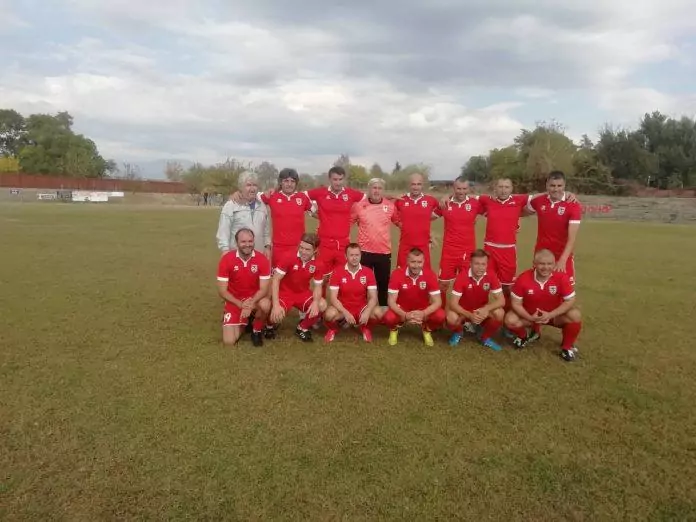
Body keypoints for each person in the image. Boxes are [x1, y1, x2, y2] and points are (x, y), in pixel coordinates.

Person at [504, 249, 582, 362]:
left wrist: (550, 315)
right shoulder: (523, 278)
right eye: (542, 264)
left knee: (575, 315)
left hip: (553, 317)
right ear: (534, 264)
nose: (546, 267)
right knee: (510, 319)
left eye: (549, 264)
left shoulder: (561, 277)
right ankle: (523, 336)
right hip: (530, 316)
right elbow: (516, 304)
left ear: (554, 264)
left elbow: (570, 300)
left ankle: (567, 347)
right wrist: (530, 318)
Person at [216, 228, 272, 347]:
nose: (247, 244)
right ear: (236, 242)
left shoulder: (262, 259)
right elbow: (222, 291)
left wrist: (250, 303)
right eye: (243, 241)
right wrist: (241, 305)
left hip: (255, 300)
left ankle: (256, 330)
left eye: (250, 241)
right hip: (235, 301)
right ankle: (245, 322)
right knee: (229, 341)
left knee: (266, 304)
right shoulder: (226, 259)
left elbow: (264, 289)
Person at [269, 233, 329, 342]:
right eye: (301, 247)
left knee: (322, 305)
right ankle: (269, 326)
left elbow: (318, 286)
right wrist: (276, 305)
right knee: (276, 315)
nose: (303, 252)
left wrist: (316, 302)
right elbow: (275, 279)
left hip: (302, 294)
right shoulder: (288, 256)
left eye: (307, 249)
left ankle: (302, 328)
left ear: (315, 250)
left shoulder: (319, 263)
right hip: (284, 293)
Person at [350, 177, 400, 307]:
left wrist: (421, 231)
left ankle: (383, 310)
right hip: (364, 252)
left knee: (383, 284)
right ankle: (361, 309)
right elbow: (347, 223)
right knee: (362, 284)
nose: (376, 191)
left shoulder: (390, 206)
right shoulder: (359, 206)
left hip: (383, 252)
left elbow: (399, 223)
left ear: (383, 190)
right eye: (374, 188)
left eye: (379, 188)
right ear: (369, 189)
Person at [306, 166, 365, 275]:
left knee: (342, 276)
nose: (338, 182)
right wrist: (312, 210)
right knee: (321, 276)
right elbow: (302, 196)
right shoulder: (321, 192)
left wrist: (359, 215)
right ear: (330, 179)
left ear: (344, 179)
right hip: (324, 243)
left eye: (340, 179)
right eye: (335, 179)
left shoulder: (350, 193)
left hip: (343, 244)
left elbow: (369, 199)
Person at [432, 177, 484, 299]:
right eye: (458, 188)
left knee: (467, 284)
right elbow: (426, 217)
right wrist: (429, 233)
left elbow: (495, 211)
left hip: (467, 253)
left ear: (469, 189)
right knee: (443, 284)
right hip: (448, 252)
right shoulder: (445, 203)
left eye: (464, 188)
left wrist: (516, 224)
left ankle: (465, 309)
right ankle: (441, 309)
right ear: (453, 188)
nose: (461, 191)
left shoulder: (475, 203)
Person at [527, 171, 582, 284]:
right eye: (552, 185)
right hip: (541, 256)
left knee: (565, 291)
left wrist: (562, 260)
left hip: (561, 256)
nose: (556, 189)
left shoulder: (573, 205)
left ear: (564, 185)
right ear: (547, 185)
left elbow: (572, 239)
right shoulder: (538, 201)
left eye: (559, 186)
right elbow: (517, 211)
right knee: (539, 288)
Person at [382, 248, 445, 347]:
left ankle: (426, 330)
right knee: (389, 317)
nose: (416, 266)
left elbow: (438, 301)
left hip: (422, 309)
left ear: (423, 262)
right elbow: (391, 301)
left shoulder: (430, 275)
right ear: (407, 261)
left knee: (440, 315)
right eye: (413, 262)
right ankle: (394, 330)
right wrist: (405, 315)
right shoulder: (397, 274)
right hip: (402, 309)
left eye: (419, 262)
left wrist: (424, 313)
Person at [446, 249, 505, 351]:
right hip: (464, 312)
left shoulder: (491, 275)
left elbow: (501, 301)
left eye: (483, 264)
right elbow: (453, 304)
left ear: (487, 264)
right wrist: (469, 315)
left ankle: (484, 337)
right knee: (451, 317)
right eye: (476, 264)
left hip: (481, 311)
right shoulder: (462, 277)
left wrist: (486, 309)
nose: (480, 268)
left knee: (499, 313)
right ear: (470, 263)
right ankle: (458, 332)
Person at [324, 243, 383, 343]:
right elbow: (333, 298)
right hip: (343, 307)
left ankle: (365, 328)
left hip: (361, 307)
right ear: (345, 256)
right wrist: (345, 313)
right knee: (329, 314)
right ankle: (333, 329)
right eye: (351, 255)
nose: (354, 258)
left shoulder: (368, 272)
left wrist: (367, 311)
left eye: (357, 255)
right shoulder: (337, 272)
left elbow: (373, 297)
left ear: (360, 255)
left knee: (378, 313)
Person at [257, 168, 314, 267]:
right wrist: (236, 194)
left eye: (292, 181)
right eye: (286, 181)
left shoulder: (302, 197)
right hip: (279, 248)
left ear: (296, 183)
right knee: (278, 275)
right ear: (280, 182)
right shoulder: (272, 196)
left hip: (299, 247)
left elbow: (316, 213)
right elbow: (250, 196)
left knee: (297, 275)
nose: (289, 184)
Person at [216, 171, 271, 257]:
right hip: (237, 257)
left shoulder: (262, 206)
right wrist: (225, 250)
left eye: (255, 185)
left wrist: (267, 246)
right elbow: (223, 231)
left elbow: (266, 231)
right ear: (241, 187)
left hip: (258, 256)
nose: (252, 189)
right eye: (248, 185)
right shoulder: (231, 205)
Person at [394, 173, 440, 270]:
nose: (416, 187)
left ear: (422, 185)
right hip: (405, 245)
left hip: (423, 246)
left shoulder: (430, 200)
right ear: (409, 185)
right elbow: (390, 212)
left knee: (424, 275)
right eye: (413, 184)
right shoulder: (400, 200)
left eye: (419, 184)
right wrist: (398, 223)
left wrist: (430, 224)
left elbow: (443, 209)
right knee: (402, 274)